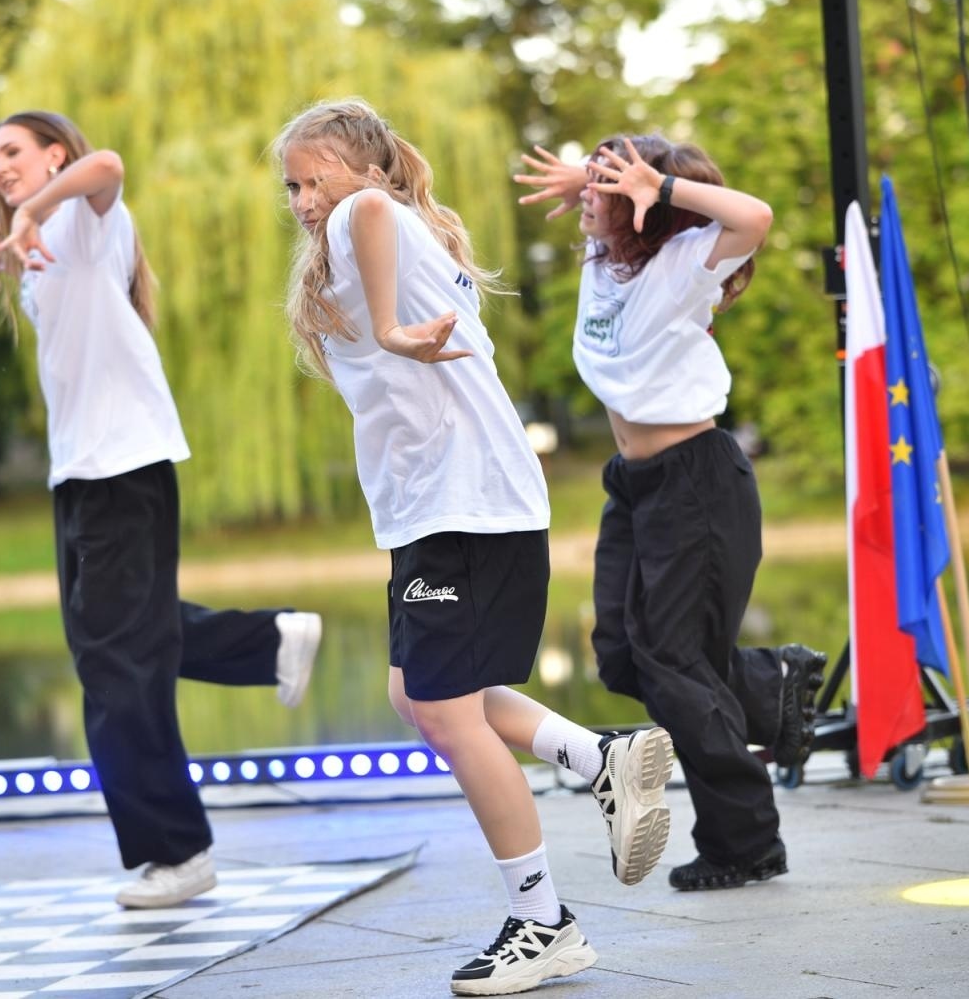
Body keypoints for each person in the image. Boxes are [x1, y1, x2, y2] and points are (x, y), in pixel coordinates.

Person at [275, 98, 674, 996]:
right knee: (414, 696)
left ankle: (543, 921)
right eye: (291, 187)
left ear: (366, 169)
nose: (303, 200)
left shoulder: (368, 214)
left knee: (445, 711)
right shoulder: (402, 233)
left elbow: (364, 212)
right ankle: (598, 758)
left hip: (463, 505)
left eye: (314, 178)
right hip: (444, 506)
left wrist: (386, 328)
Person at [0, 110, 324, 910]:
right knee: (115, 642)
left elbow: (107, 162)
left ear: (53, 155)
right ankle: (270, 640)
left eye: (13, 151)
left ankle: (178, 852)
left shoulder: (82, 218)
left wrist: (34, 208)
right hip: (81, 471)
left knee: (114, 665)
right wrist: (4, 227)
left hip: (122, 463)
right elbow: (5, 238)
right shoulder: (39, 237)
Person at [515, 133, 827, 892]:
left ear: (646, 204)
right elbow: (606, 205)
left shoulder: (686, 264)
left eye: (607, 182)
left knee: (674, 662)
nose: (591, 193)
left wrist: (660, 187)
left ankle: (746, 843)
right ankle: (769, 684)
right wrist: (587, 183)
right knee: (623, 653)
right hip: (634, 483)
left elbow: (755, 215)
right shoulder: (602, 259)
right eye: (595, 178)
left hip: (698, 483)